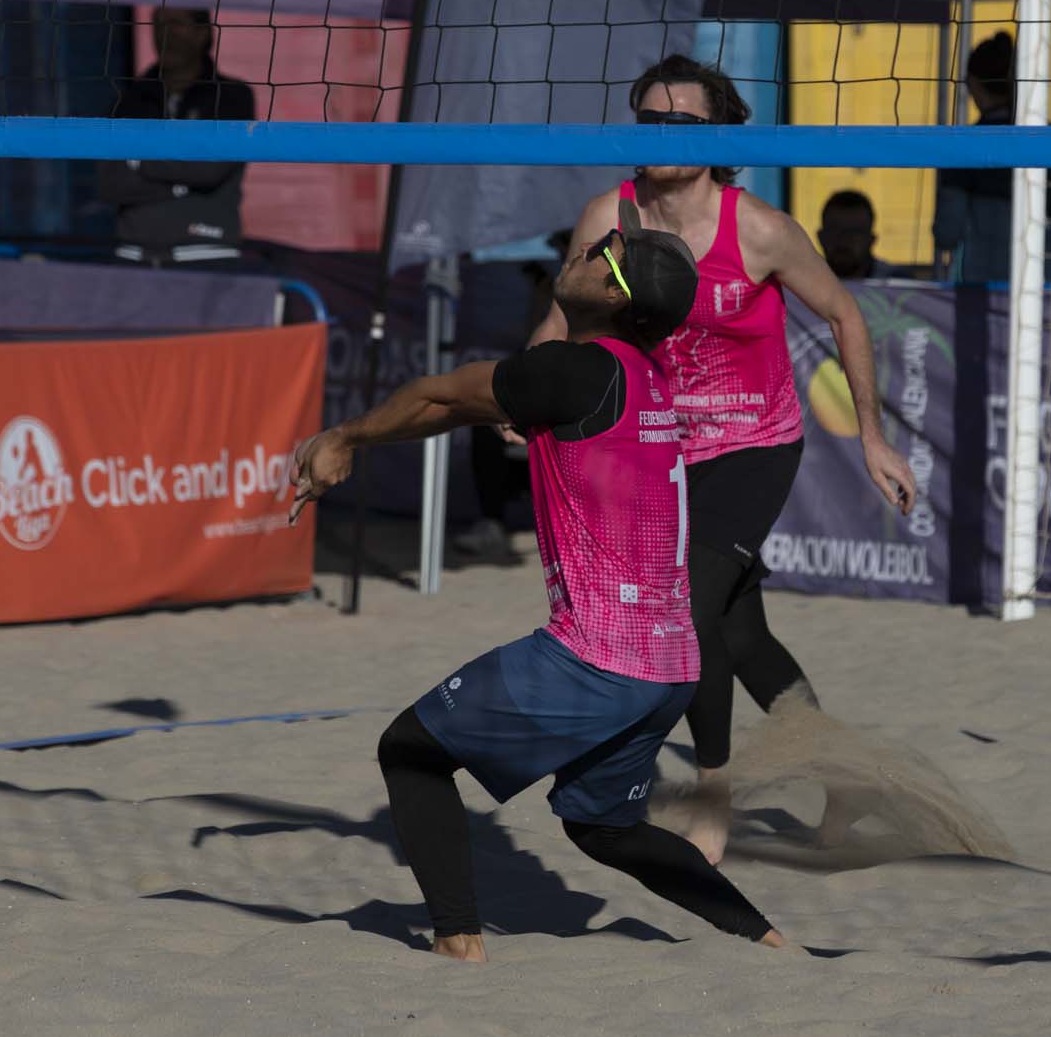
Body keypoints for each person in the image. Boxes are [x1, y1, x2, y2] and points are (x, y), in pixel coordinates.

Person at [289, 200, 785, 961]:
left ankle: (458, 939)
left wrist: (345, 436)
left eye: (604, 251)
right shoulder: (645, 375)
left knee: (411, 751)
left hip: (596, 659)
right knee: (603, 827)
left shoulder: (574, 371)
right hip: (670, 665)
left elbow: (439, 397)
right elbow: (467, 408)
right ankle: (769, 939)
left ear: (615, 293)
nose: (585, 249)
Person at [528, 53, 917, 866]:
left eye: (685, 122)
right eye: (652, 120)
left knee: (690, 609)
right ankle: (846, 780)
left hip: (754, 444)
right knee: (743, 637)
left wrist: (874, 438)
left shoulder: (760, 230)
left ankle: (713, 795)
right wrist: (528, 386)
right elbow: (562, 319)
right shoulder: (611, 215)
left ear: (718, 136)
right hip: (661, 448)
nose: (665, 134)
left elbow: (846, 314)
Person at [99, 7, 255, 268]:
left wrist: (139, 161)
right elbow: (110, 184)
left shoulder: (232, 97)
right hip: (133, 256)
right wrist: (182, 183)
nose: (165, 33)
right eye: (158, 23)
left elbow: (210, 169)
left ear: (202, 33)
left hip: (208, 255)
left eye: (176, 23)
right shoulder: (128, 101)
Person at [453, 231, 571, 565]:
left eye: (563, 246)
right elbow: (537, 349)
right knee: (487, 419)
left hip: (579, 395)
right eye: (559, 247)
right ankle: (492, 522)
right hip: (546, 386)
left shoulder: (593, 288)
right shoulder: (550, 286)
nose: (561, 253)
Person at [933, 30, 1051, 283]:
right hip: (1049, 280)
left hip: (984, 287)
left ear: (972, 84)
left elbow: (947, 232)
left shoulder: (963, 147)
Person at [817, 190, 908, 280]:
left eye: (854, 232)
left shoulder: (899, 283)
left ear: (871, 240)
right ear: (821, 237)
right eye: (834, 230)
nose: (844, 239)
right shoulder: (808, 281)